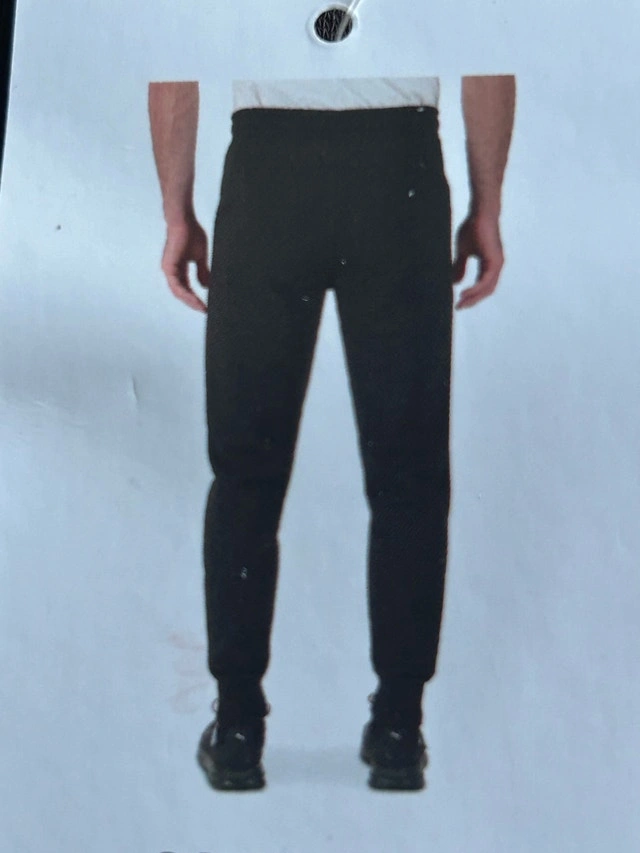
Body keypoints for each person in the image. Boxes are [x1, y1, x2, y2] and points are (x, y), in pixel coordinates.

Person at [148, 73, 516, 792]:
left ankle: (237, 727)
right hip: (398, 169)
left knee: (244, 472)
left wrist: (176, 212)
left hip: (269, 173)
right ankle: (400, 726)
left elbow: (172, 72)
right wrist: (488, 206)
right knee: (410, 472)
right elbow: (490, 58)